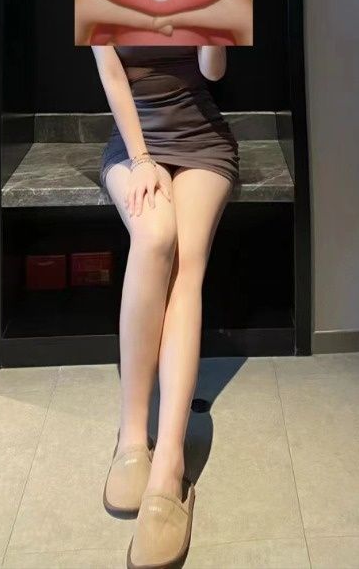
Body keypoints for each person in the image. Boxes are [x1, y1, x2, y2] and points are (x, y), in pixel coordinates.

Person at [93, 43, 239, 569]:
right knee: (154, 237)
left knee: (187, 263)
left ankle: (169, 462)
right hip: (134, 140)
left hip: (203, 139)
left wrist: (212, 29)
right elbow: (112, 74)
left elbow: (212, 73)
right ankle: (132, 435)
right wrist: (142, 160)